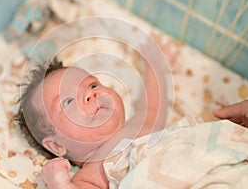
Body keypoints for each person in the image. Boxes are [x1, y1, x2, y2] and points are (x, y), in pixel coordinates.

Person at [15, 58, 166, 189]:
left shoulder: (137, 124)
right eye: (68, 102)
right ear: (57, 146)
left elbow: (152, 106)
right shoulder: (93, 171)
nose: (90, 93)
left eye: (92, 85)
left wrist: (155, 66)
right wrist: (60, 184)